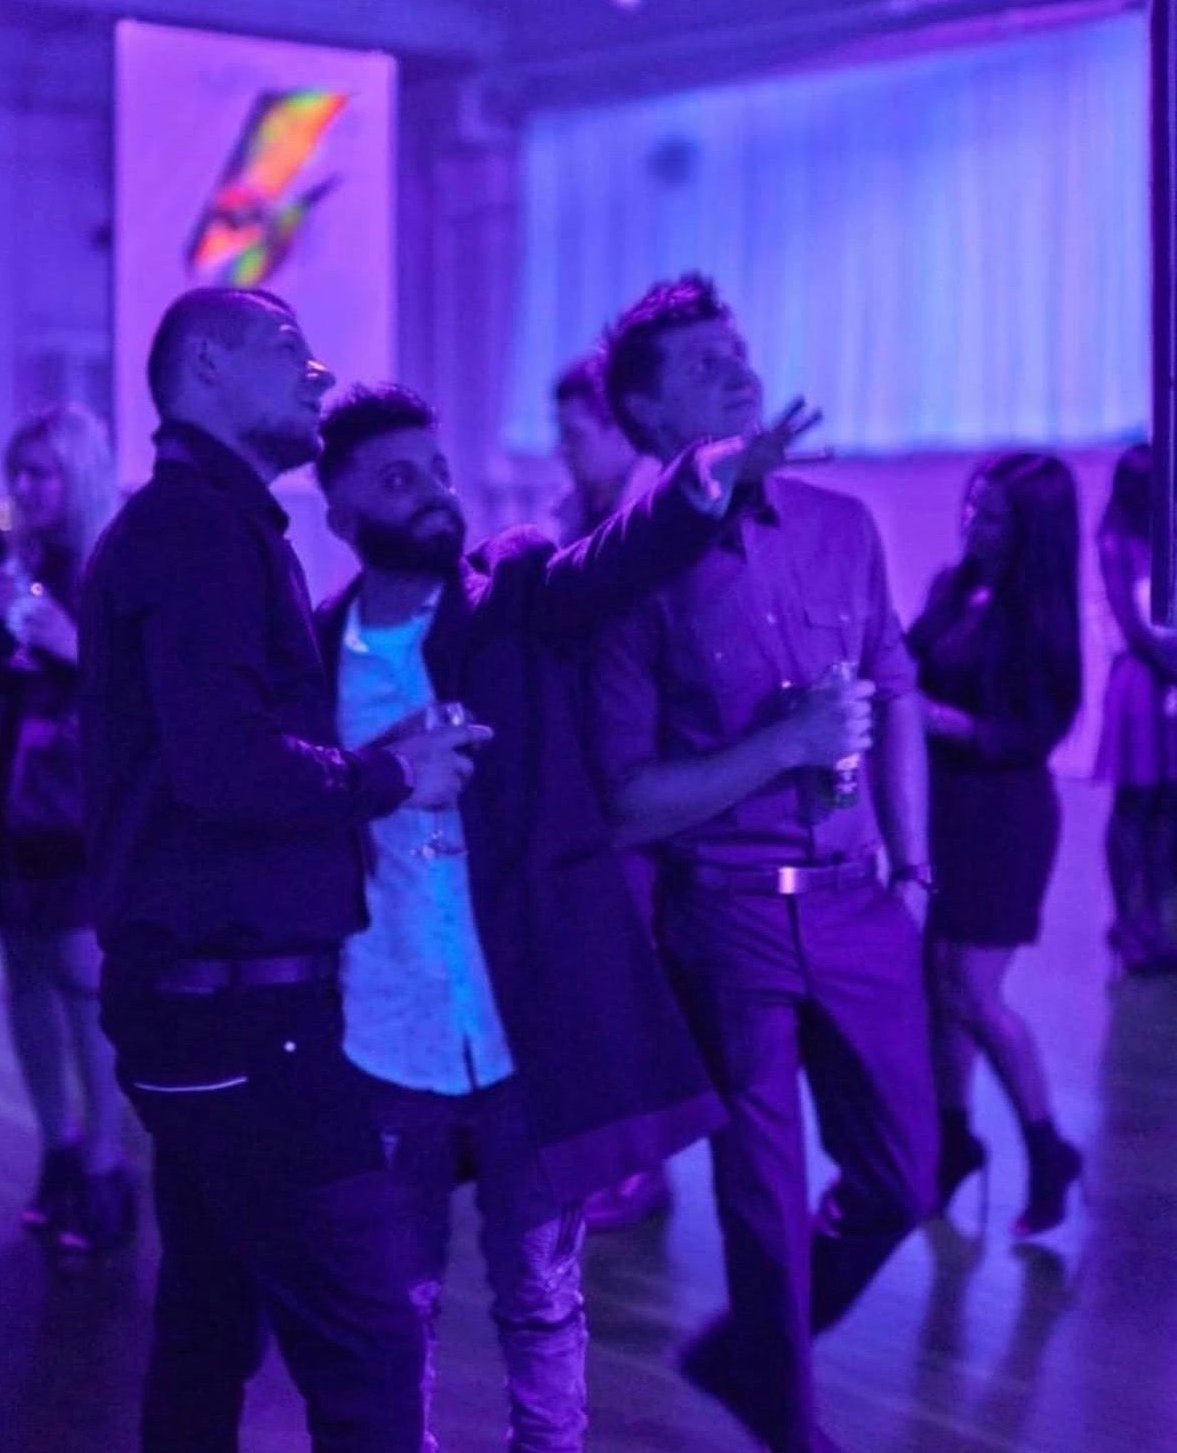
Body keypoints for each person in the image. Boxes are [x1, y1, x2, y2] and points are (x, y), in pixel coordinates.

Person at [311, 379, 825, 1450]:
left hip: (525, 1031)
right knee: (394, 1307)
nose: (433, 493)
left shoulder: (512, 590)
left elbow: (615, 560)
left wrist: (703, 482)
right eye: (398, 480)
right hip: (383, 1033)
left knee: (542, 1297)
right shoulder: (315, 654)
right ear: (341, 511)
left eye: (437, 469)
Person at [80, 288, 488, 1453]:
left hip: (201, 1014)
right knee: (370, 1350)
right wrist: (390, 773)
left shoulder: (197, 526)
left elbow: (215, 758)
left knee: (208, 1328)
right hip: (244, 1023)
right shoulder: (200, 532)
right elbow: (228, 768)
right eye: (289, 350)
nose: (317, 374)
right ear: (207, 367)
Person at [586, 273, 937, 1453]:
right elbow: (626, 803)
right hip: (726, 916)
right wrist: (781, 747)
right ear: (648, 416)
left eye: (735, 349)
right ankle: (790, 1422)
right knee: (764, 1201)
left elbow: (895, 684)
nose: (737, 369)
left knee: (905, 1176)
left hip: (861, 906)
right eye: (702, 363)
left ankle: (747, 1355)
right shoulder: (626, 573)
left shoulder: (843, 525)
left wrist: (916, 871)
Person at [0, 403, 132, 1255]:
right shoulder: (0, 557)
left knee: (83, 978)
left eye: (39, 472)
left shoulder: (114, 564)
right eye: (17, 471)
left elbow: (152, 689)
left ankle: (107, 1163)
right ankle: (56, 1147)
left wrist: (79, 648)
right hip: (7, 802)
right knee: (24, 977)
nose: (23, 487)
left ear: (77, 475)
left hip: (79, 806)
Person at [909, 452, 1084, 1236]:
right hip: (944, 809)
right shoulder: (954, 587)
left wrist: (943, 720)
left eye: (993, 517)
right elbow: (906, 662)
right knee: (939, 987)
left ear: (1030, 532)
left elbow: (1036, 731)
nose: (972, 524)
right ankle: (953, 1141)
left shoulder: (1041, 616)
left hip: (1004, 816)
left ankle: (1048, 1149)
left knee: (974, 991)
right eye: (972, 507)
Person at [551, 354, 669, 1232]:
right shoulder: (572, 515)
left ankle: (643, 1167)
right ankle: (623, 1159)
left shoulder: (648, 517)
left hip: (637, 780)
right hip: (584, 777)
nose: (565, 452)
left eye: (574, 434)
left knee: (631, 979)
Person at [1094, 443, 1177, 974]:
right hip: (1142, 684)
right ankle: (1128, 921)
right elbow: (1131, 623)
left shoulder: (1164, 539)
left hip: (1168, 677)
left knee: (1167, 803)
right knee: (1134, 803)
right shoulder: (1115, 542)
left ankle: (1154, 920)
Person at [550, 354, 659, 545]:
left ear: (620, 432)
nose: (561, 450)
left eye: (574, 436)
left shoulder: (660, 512)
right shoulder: (569, 513)